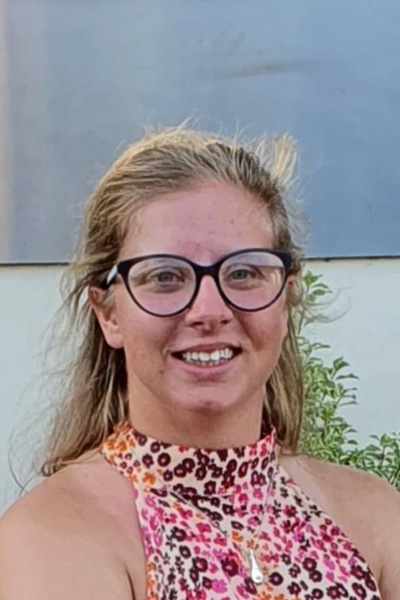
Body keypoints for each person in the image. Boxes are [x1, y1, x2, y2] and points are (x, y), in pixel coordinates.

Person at [0, 125, 398, 600]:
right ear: (109, 315)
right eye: (165, 277)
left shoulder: (373, 516)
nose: (209, 310)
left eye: (244, 272)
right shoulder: (52, 538)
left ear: (285, 301)